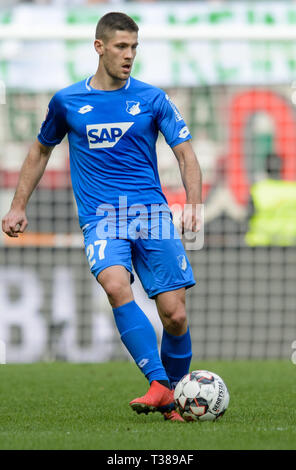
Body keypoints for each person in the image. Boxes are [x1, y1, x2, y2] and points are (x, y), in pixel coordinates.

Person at [2, 12, 202, 422]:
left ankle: (173, 402)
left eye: (134, 47)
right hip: (101, 218)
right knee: (115, 285)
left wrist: (194, 203)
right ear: (100, 47)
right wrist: (18, 205)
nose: (129, 55)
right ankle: (161, 385)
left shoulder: (152, 98)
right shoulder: (67, 101)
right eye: (121, 47)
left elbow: (185, 153)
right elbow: (41, 150)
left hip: (151, 214)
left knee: (175, 314)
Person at [245, 152, 296, 246]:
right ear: (281, 167)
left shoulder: (258, 189)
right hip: (291, 244)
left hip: (261, 244)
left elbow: (248, 216)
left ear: (265, 167)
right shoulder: (295, 190)